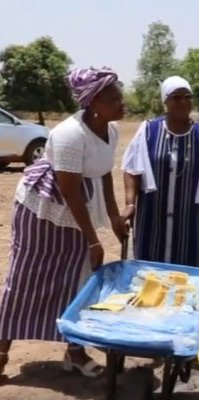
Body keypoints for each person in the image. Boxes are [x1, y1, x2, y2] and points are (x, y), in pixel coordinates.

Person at [0, 67, 127, 377]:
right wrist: (94, 240)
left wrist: (113, 216)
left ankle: (75, 352)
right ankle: (1, 352)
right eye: (114, 99)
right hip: (43, 212)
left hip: (77, 210)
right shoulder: (69, 134)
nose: (122, 103)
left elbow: (104, 172)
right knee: (24, 280)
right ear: (94, 102)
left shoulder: (110, 130)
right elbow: (69, 190)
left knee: (78, 280)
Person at [121, 76, 199, 267]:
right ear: (165, 101)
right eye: (176, 97)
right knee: (149, 277)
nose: (183, 102)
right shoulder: (148, 131)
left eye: (187, 97)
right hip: (152, 221)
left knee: (190, 281)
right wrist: (130, 204)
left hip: (191, 223)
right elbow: (132, 169)